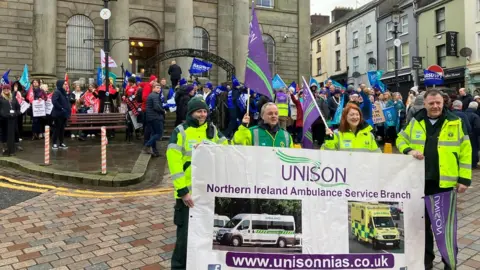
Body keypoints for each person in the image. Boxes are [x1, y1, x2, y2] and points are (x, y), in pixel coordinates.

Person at [396, 89, 471, 270]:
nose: (435, 106)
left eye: (438, 102)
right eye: (431, 103)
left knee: (445, 228)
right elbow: (400, 139)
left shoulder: (456, 121)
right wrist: (409, 150)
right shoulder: (416, 121)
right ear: (425, 104)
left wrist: (465, 179)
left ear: (443, 102)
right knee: (423, 227)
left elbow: (466, 151)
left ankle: (448, 263)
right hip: (420, 183)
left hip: (444, 184)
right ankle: (426, 261)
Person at [168, 97, 229, 270]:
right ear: (190, 113)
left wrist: (210, 144)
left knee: (207, 234)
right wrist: (183, 191)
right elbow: (174, 162)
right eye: (198, 111)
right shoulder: (181, 131)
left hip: (208, 192)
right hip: (189, 195)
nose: (202, 115)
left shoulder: (212, 130)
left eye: (204, 111)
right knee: (184, 238)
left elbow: (227, 149)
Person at [142, 83, 165, 157]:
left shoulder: (151, 95)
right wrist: (163, 111)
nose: (159, 89)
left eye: (160, 88)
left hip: (150, 117)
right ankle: (147, 145)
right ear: (153, 88)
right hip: (155, 117)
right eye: (157, 88)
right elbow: (156, 107)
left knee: (154, 134)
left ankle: (155, 151)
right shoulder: (155, 95)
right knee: (159, 134)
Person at [0, 84, 21, 156]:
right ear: (3, 90)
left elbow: (18, 108)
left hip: (13, 119)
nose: (6, 90)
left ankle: (12, 147)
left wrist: (16, 113)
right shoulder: (1, 98)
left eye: (8, 89)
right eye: (5, 89)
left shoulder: (13, 98)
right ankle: (5, 147)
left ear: (10, 90)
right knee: (4, 133)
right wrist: (5, 115)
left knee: (14, 132)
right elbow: (1, 109)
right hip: (4, 119)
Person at [51, 80, 71, 150]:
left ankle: (61, 142)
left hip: (63, 114)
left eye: (66, 84)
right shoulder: (57, 92)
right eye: (64, 84)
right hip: (58, 114)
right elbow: (54, 101)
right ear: (60, 85)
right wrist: (61, 108)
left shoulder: (64, 93)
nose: (66, 86)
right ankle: (54, 143)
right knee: (57, 129)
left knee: (62, 129)